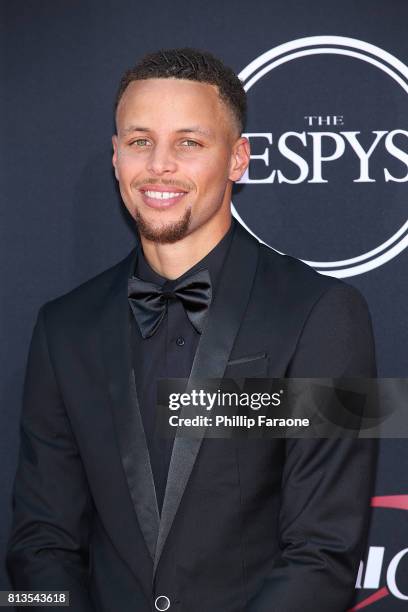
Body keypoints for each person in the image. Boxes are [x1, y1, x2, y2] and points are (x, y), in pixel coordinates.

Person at [6, 48, 377, 612]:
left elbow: (323, 554)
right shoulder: (63, 327)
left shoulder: (324, 313)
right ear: (115, 158)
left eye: (189, 142)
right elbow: (40, 543)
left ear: (238, 159)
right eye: (139, 141)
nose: (159, 165)